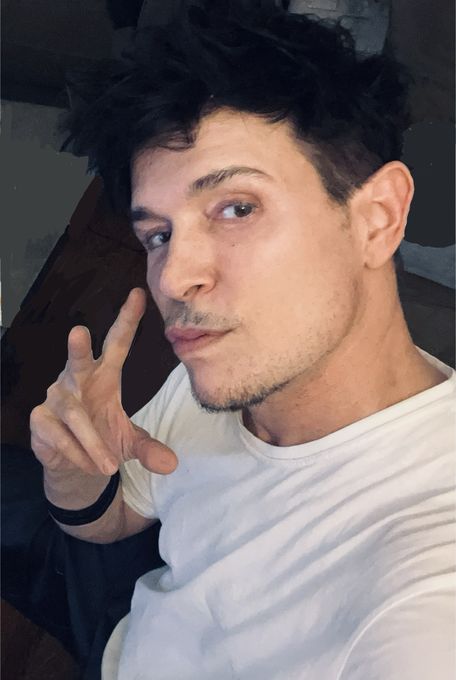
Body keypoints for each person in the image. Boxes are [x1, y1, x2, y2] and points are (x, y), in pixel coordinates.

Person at [30, 1, 455, 678]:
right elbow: (117, 517)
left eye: (236, 207)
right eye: (157, 235)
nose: (175, 276)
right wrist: (75, 478)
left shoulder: (426, 585)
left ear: (376, 218)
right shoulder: (221, 370)